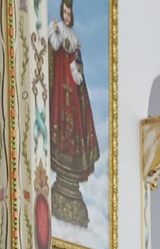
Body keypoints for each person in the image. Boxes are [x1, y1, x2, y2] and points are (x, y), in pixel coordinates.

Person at [48, 0, 101, 227]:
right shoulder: (57, 30)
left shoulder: (75, 39)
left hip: (72, 87)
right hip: (60, 88)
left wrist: (77, 68)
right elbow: (53, 48)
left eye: (69, 13)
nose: (67, 16)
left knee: (75, 125)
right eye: (65, 12)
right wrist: (55, 33)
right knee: (61, 121)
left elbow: (78, 67)